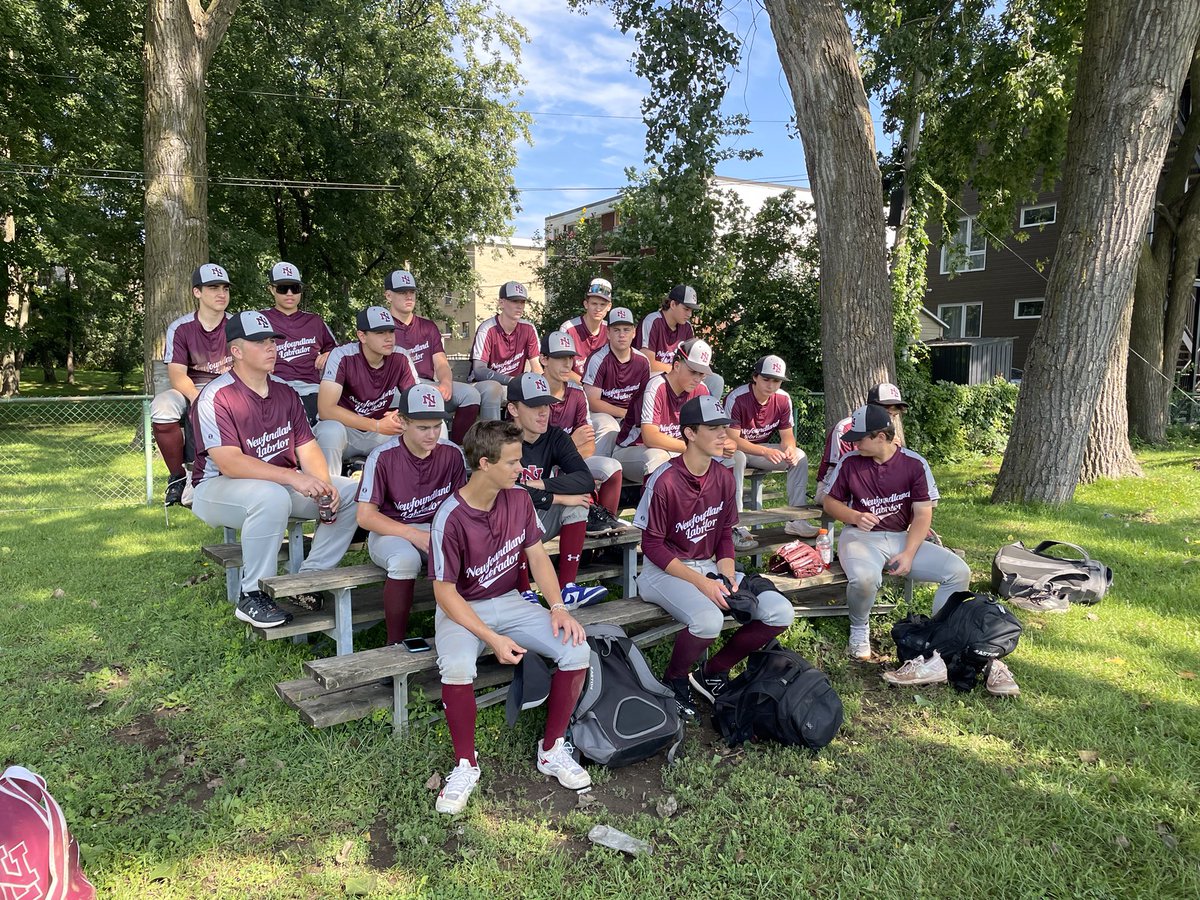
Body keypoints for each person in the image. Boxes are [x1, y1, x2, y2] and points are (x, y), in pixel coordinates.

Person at [429, 420, 592, 815]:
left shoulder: (518, 498)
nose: (522, 469)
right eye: (513, 462)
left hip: (510, 600)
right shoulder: (450, 516)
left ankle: (551, 749)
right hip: (462, 607)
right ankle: (465, 764)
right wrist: (490, 637)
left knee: (576, 649)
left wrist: (557, 607)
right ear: (484, 463)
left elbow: (537, 556)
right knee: (457, 665)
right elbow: (444, 592)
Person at [190, 311, 360, 628]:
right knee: (271, 496)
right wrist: (292, 477)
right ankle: (252, 595)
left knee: (351, 492)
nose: (271, 347)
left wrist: (324, 486)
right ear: (236, 351)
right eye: (259, 342)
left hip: (276, 487)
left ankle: (310, 580)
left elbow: (307, 447)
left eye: (272, 340)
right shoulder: (217, 395)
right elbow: (229, 462)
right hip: (217, 488)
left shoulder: (284, 390)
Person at [634, 395, 796, 717]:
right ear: (690, 433)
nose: (725, 435)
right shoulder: (663, 480)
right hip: (661, 572)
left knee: (780, 612)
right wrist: (704, 584)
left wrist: (727, 575)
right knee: (707, 620)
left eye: (725, 427)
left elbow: (724, 535)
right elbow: (652, 546)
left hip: (708, 566)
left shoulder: (722, 476)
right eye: (714, 428)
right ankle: (674, 680)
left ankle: (712, 673)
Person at [821, 405, 989, 674]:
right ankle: (859, 627)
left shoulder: (913, 463)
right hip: (861, 538)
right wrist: (853, 515)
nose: (854, 444)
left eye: (860, 438)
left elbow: (923, 513)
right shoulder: (850, 462)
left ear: (880, 437)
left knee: (958, 572)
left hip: (902, 537)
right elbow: (830, 503)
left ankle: (937, 633)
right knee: (865, 579)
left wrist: (910, 553)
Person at [356, 384, 468, 645]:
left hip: (434, 527)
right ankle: (394, 644)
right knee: (405, 559)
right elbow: (365, 517)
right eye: (422, 427)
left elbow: (461, 507)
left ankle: (456, 636)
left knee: (463, 550)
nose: (432, 434)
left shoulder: (451, 453)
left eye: (436, 426)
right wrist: (414, 535)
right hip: (390, 531)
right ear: (403, 422)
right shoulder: (382, 456)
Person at [613, 338, 749, 548]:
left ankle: (729, 526)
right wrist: (697, 448)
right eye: (693, 371)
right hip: (632, 451)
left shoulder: (701, 390)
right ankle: (650, 532)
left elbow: (715, 431)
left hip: (677, 451)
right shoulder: (656, 385)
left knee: (734, 458)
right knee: (657, 457)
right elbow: (650, 437)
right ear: (677, 365)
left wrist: (725, 443)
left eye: (702, 373)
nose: (698, 378)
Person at [506, 373, 609, 608]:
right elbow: (503, 491)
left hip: (539, 519)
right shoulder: (500, 438)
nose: (543, 411)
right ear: (513, 409)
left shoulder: (556, 437)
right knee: (516, 504)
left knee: (580, 503)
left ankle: (567, 589)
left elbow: (584, 480)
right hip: (504, 529)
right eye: (534, 405)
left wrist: (540, 485)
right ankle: (523, 591)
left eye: (546, 404)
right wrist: (557, 497)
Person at [153, 263, 233, 506]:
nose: (221, 294)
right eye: (213, 288)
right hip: (191, 388)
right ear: (196, 292)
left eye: (225, 288)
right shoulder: (180, 327)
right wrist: (198, 398)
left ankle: (217, 477)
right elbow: (177, 375)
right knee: (162, 407)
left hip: (230, 389)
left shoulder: (237, 324)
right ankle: (178, 477)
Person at [314, 306, 418, 477]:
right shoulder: (342, 355)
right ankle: (328, 494)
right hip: (346, 432)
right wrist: (376, 425)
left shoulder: (401, 357)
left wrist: (402, 416)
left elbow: (417, 401)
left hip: (381, 433)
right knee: (329, 430)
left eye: (391, 331)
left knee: (427, 425)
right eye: (380, 333)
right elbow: (326, 410)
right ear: (362, 336)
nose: (389, 338)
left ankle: (416, 493)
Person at [723, 355, 819, 536]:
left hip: (761, 450)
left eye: (776, 381)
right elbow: (732, 439)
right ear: (755, 377)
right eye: (766, 379)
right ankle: (737, 524)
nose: (771, 385)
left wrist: (789, 448)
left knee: (799, 456)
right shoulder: (737, 397)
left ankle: (797, 519)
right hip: (735, 449)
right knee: (737, 458)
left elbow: (787, 435)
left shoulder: (783, 399)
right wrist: (765, 451)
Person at [384, 269, 481, 444]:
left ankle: (457, 449)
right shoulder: (381, 329)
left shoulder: (427, 326)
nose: (409, 297)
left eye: (411, 292)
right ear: (388, 295)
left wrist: (445, 382)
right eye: (402, 292)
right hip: (396, 391)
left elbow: (441, 363)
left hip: (429, 386)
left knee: (470, 394)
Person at [539, 330, 624, 528]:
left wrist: (567, 450)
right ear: (543, 359)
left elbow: (589, 446)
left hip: (569, 462)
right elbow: (529, 448)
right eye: (560, 358)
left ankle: (604, 523)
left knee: (612, 468)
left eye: (570, 357)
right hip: (538, 470)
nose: (567, 364)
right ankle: (590, 516)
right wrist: (570, 443)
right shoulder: (532, 390)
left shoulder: (577, 392)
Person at [259, 261, 336, 424]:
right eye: (282, 288)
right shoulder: (260, 319)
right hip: (273, 387)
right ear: (271, 289)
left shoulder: (314, 321)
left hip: (312, 389)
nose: (289, 293)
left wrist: (329, 354)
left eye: (294, 288)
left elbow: (339, 352)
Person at [815, 381, 908, 504]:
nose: (890, 419)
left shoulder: (887, 430)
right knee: (872, 503)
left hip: (870, 484)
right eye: (887, 413)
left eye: (894, 415)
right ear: (871, 406)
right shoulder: (845, 428)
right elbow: (845, 472)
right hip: (832, 486)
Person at [581, 306, 649, 459]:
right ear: (608, 333)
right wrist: (624, 413)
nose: (622, 335)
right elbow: (592, 402)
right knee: (609, 427)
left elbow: (644, 398)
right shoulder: (598, 359)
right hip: (600, 414)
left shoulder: (642, 361)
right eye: (616, 330)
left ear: (634, 332)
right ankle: (600, 472)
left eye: (626, 329)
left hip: (630, 416)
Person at [469, 281, 542, 421]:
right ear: (501, 303)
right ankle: (493, 439)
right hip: (484, 384)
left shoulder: (528, 328)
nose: (519, 306)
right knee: (494, 389)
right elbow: (479, 370)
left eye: (522, 301)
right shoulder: (487, 328)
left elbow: (536, 366)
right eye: (514, 301)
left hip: (514, 385)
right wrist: (510, 380)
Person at [634, 284, 723, 398]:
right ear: (672, 304)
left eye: (691, 310)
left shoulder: (687, 327)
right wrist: (680, 371)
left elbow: (692, 360)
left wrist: (697, 372)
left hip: (681, 373)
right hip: (655, 377)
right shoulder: (653, 321)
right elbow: (647, 364)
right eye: (686, 309)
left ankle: (705, 413)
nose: (689, 314)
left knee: (716, 381)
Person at [559, 277, 612, 381]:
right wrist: (586, 385)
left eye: (602, 305)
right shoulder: (568, 329)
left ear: (609, 306)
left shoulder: (611, 331)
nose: (598, 309)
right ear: (586, 304)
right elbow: (561, 368)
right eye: (594, 304)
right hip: (572, 387)